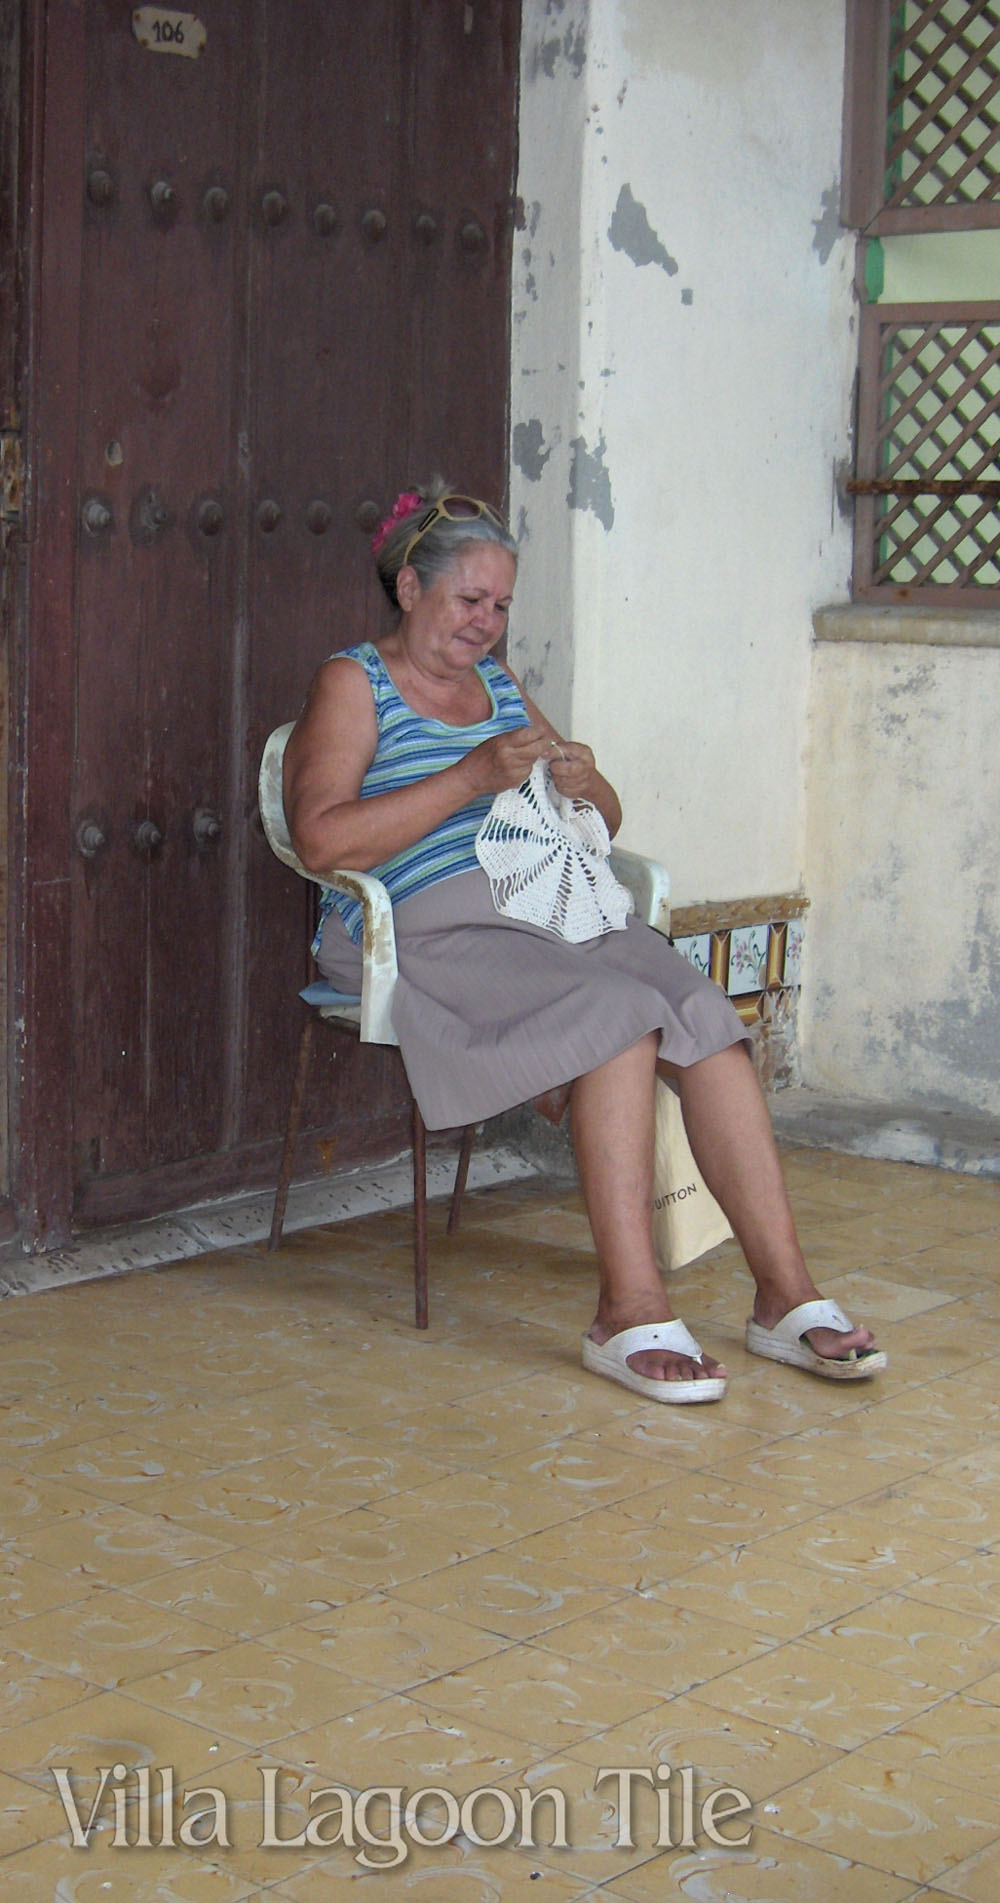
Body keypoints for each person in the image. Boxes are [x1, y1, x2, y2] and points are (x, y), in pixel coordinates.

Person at [283, 482, 885, 1402]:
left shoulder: (497, 682)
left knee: (700, 1010)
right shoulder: (351, 681)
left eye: (500, 606)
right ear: (410, 588)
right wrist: (470, 776)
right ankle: (627, 1307)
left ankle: (784, 1293)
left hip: (542, 902)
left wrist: (586, 778)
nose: (486, 623)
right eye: (468, 600)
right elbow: (322, 838)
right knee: (618, 1014)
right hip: (420, 920)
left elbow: (599, 815)